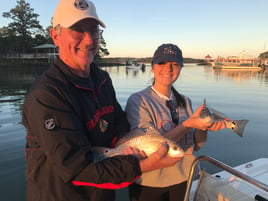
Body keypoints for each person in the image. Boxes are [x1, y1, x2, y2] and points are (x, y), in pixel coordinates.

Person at [22, 2, 182, 201]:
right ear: (55, 36)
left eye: (94, 31)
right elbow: (75, 168)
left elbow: (119, 123)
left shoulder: (102, 80)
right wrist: (141, 166)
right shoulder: (46, 94)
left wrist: (127, 144)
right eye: (78, 30)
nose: (89, 40)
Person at [125, 43, 226, 201]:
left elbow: (198, 145)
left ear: (180, 68)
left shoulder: (185, 101)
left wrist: (203, 126)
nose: (168, 68)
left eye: (174, 64)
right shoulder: (139, 101)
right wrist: (188, 124)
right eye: (162, 63)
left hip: (183, 177)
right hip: (149, 181)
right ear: (152, 67)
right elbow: (152, 142)